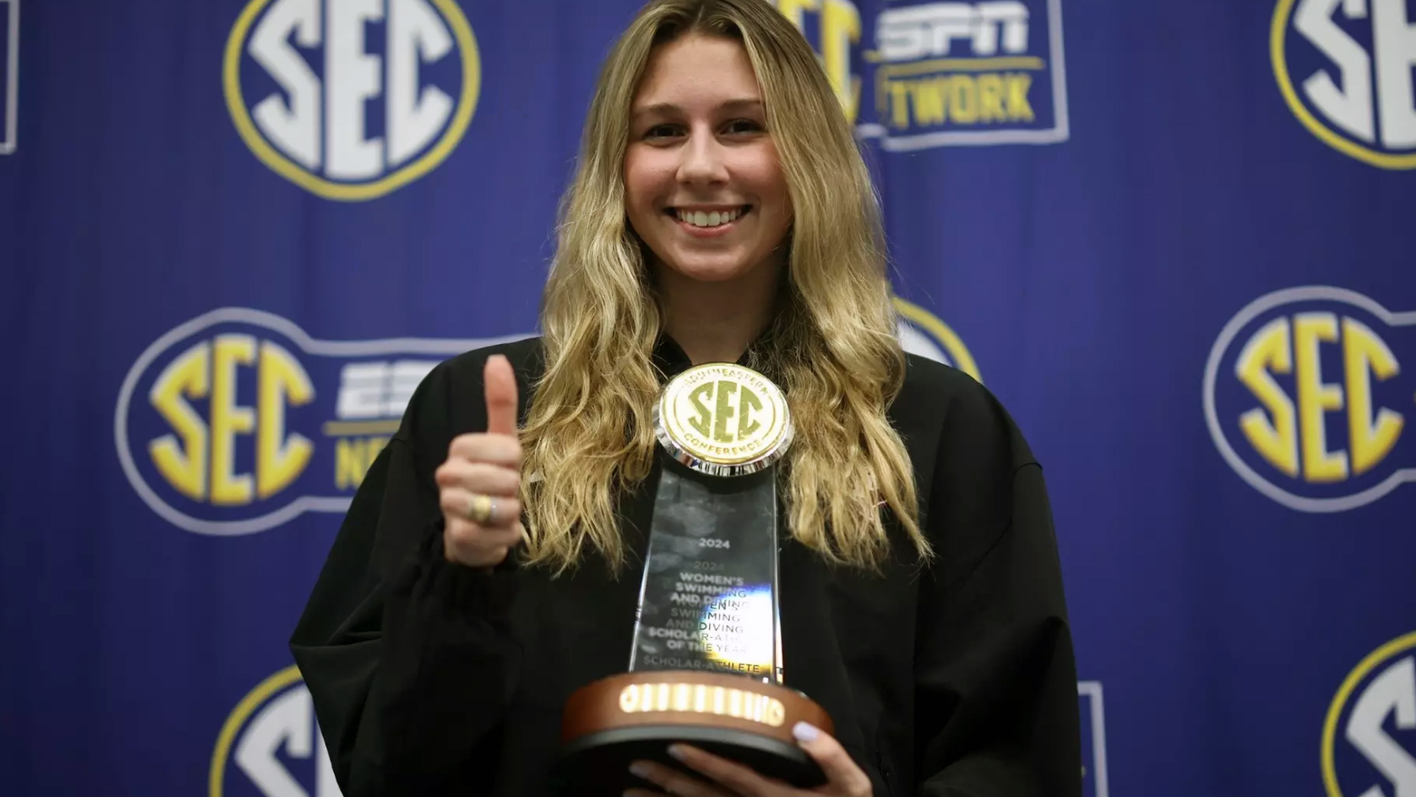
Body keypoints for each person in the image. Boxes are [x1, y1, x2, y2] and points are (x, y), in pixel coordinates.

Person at [290, 0, 1081, 794]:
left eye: (742, 126)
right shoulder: (482, 418)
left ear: (806, 155)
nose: (701, 166)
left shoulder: (937, 429)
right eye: (662, 131)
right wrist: (460, 576)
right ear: (616, 167)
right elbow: (394, 768)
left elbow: (1016, 754)